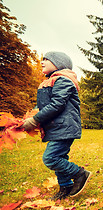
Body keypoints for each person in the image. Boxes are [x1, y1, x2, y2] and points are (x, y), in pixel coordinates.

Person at [21, 51, 91, 200]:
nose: (42, 61)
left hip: (64, 127)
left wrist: (35, 120)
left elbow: (57, 104)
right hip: (55, 127)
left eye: (47, 59)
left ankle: (80, 174)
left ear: (59, 63)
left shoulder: (63, 80)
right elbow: (43, 105)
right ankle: (65, 186)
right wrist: (30, 116)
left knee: (51, 158)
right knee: (60, 157)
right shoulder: (51, 82)